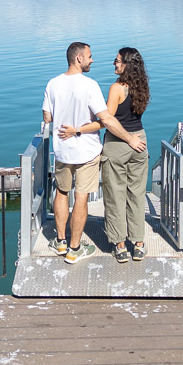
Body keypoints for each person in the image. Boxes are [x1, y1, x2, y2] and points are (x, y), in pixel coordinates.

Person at [42, 42, 146, 265]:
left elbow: (47, 117)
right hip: (94, 149)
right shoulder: (93, 86)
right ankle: (80, 248)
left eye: (117, 60)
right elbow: (105, 119)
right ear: (79, 58)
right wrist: (131, 138)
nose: (93, 60)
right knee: (86, 196)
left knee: (63, 192)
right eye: (90, 56)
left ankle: (63, 242)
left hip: (64, 150)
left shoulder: (52, 84)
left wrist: (69, 125)